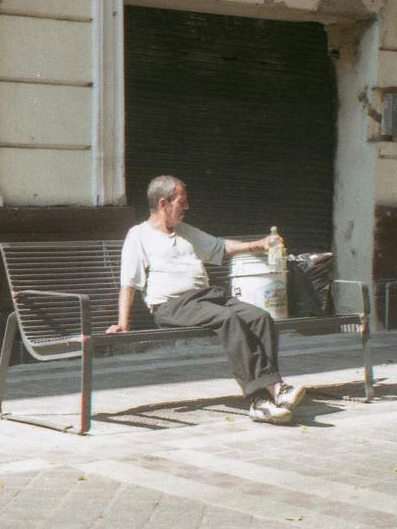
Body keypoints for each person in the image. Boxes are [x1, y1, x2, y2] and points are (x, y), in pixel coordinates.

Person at [107, 175, 305, 424]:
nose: (187, 207)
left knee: (261, 318)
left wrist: (259, 244)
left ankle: (270, 394)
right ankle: (265, 396)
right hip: (171, 305)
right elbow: (129, 282)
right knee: (228, 319)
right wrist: (122, 322)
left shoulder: (185, 231)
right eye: (182, 202)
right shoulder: (138, 236)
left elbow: (219, 247)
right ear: (163, 203)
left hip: (206, 297)